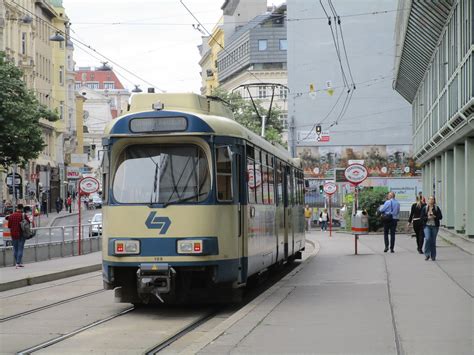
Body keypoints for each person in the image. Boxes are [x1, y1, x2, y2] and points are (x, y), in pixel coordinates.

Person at [421, 196, 443, 261]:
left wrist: (434, 216)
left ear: (434, 200)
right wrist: (427, 217)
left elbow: (440, 217)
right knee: (427, 239)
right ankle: (427, 254)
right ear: (428, 200)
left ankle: (433, 256)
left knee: (433, 241)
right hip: (427, 226)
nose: (431, 200)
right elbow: (421, 218)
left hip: (434, 226)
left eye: (432, 199)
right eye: (430, 199)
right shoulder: (425, 208)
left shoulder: (436, 208)